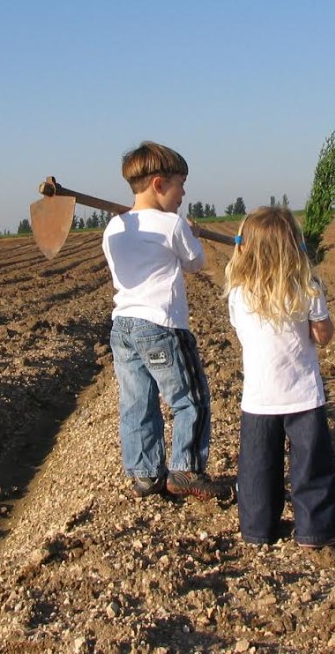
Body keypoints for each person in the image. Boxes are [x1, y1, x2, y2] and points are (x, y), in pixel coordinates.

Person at [102, 141, 229, 500]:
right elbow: (195, 264)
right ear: (159, 184)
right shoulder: (172, 225)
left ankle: (145, 473)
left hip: (123, 327)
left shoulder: (114, 228)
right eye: (181, 184)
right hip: (162, 326)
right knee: (191, 398)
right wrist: (191, 233)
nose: (184, 192)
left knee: (136, 402)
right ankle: (186, 469)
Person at [223, 206, 335, 547]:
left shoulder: (238, 292)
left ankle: (257, 529)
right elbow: (322, 335)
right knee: (311, 465)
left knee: (257, 467)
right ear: (294, 245)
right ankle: (316, 530)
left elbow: (241, 332)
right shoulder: (307, 285)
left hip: (259, 397)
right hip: (303, 394)